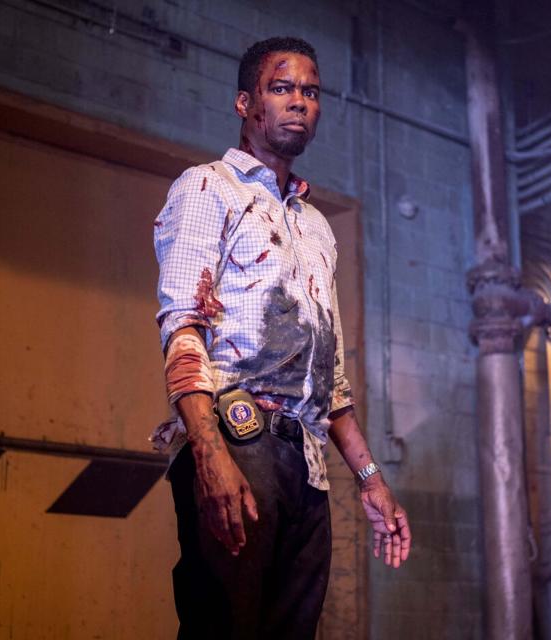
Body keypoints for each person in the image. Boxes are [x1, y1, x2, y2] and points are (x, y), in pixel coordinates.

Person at [151, 36, 411, 640]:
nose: (299, 101)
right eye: (282, 87)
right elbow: (182, 327)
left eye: (310, 92)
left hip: (308, 462)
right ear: (247, 103)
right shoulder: (208, 188)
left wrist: (371, 481)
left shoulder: (316, 227)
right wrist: (209, 452)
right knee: (225, 627)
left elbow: (332, 380)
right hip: (238, 442)